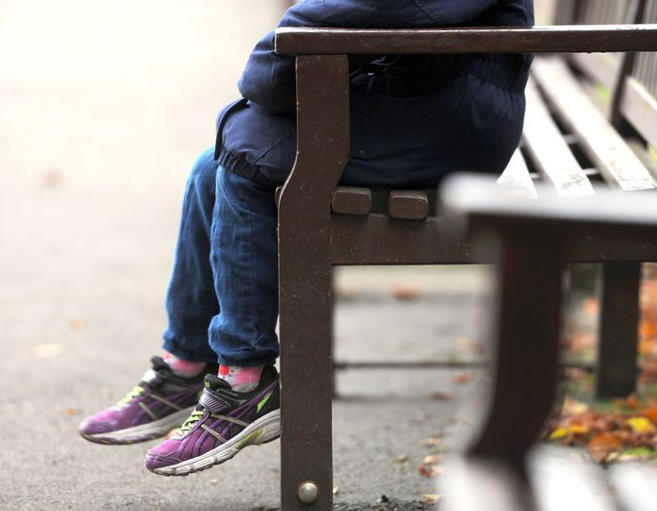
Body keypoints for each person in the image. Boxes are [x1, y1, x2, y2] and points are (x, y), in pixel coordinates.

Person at [79, 0, 534, 476]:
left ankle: (242, 382)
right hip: (428, 97)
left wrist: (278, 51)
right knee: (212, 167)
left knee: (250, 155)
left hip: (450, 124)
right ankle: (186, 363)